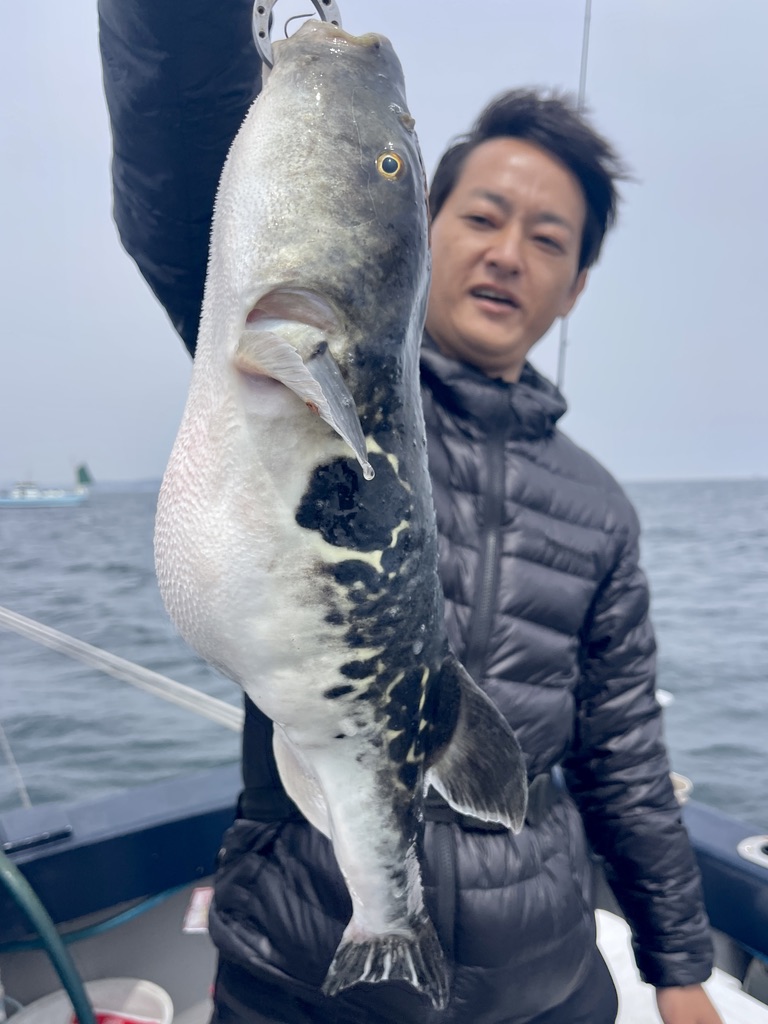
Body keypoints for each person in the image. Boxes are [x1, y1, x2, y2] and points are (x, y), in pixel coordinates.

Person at [98, 3, 723, 1022]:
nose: (508, 253)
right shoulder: (296, 354)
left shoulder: (600, 509)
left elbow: (624, 757)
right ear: (421, 228)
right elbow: (177, 163)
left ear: (575, 285)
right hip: (296, 960)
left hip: (546, 980)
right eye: (481, 217)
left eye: (548, 238)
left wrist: (681, 968)